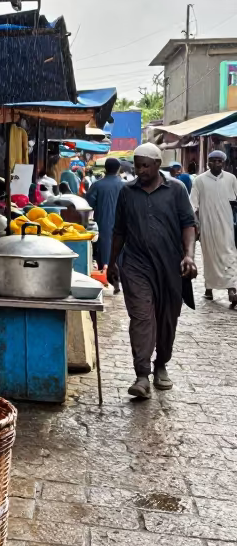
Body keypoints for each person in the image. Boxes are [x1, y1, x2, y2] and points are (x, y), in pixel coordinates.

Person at [107, 143, 197, 400]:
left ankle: (161, 364)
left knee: (167, 320)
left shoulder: (176, 190)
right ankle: (142, 375)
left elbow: (189, 225)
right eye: (137, 165)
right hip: (136, 265)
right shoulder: (127, 192)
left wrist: (189, 255)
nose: (140, 170)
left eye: (146, 165)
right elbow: (119, 230)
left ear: (158, 165)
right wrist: (112, 263)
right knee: (142, 317)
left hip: (170, 265)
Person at [190, 150, 237, 306]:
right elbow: (193, 205)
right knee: (209, 257)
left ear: (223, 163)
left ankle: (232, 288)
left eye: (219, 161)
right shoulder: (200, 181)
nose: (216, 164)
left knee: (229, 254)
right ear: (207, 163)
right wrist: (196, 225)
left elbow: (235, 200)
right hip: (207, 225)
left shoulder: (231, 179)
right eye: (213, 161)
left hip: (226, 225)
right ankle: (209, 288)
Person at [85, 157, 124, 288]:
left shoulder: (97, 185)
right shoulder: (125, 185)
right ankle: (117, 277)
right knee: (120, 248)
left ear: (105, 168)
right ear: (119, 169)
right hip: (122, 224)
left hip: (103, 221)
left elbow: (88, 203)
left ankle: (105, 275)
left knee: (104, 247)